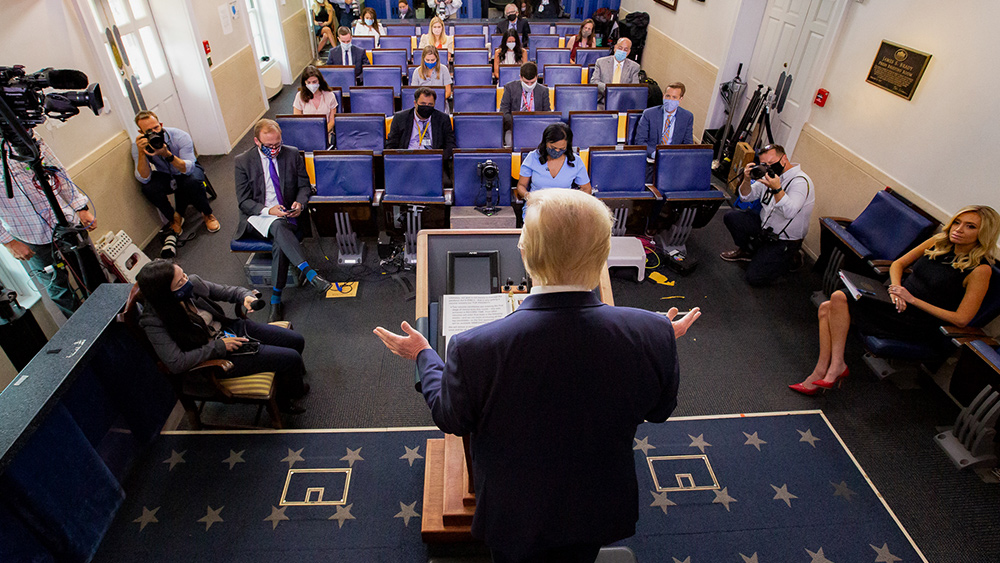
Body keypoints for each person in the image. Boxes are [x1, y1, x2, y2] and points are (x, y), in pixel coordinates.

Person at [374, 188, 700, 563]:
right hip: (595, 507)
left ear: (525, 252)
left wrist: (423, 355)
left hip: (516, 516)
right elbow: (659, 410)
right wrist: (655, 344)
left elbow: (451, 417)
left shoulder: (472, 348)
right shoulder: (653, 333)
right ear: (604, 252)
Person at [790, 205, 1000, 396]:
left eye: (970, 226)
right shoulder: (939, 242)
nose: (959, 229)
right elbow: (898, 264)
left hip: (919, 321)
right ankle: (827, 369)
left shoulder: (980, 270)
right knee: (827, 307)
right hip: (896, 303)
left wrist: (912, 300)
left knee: (835, 300)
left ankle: (832, 367)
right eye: (957, 222)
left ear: (983, 233)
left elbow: (961, 319)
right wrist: (896, 290)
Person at [135, 260, 309, 414]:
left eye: (184, 275)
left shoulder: (192, 284)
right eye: (180, 282)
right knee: (291, 358)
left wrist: (245, 296)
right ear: (165, 294)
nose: (187, 281)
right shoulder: (154, 321)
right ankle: (287, 398)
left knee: (296, 341)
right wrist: (219, 347)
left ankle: (290, 380)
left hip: (229, 330)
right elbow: (176, 363)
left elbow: (227, 291)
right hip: (215, 357)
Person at [233, 119, 332, 322]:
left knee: (280, 239)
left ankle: (276, 300)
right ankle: (308, 272)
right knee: (277, 225)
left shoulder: (292, 154)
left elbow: (304, 186)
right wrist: (268, 210)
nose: (274, 149)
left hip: (285, 214)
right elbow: (243, 201)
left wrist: (299, 204)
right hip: (258, 216)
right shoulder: (243, 161)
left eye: (277, 144)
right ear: (257, 141)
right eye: (269, 145)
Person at [1, 136, 96, 317]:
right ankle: (85, 328)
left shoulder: (25, 133)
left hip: (65, 221)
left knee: (92, 274)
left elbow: (58, 171)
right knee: (59, 291)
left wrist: (80, 207)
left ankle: (116, 320)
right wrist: (8, 242)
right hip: (30, 236)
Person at [720, 144, 815, 286]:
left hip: (784, 238)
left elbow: (789, 212)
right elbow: (746, 197)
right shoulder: (768, 174)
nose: (768, 167)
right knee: (732, 217)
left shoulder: (800, 182)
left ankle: (792, 257)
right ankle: (748, 251)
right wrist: (746, 180)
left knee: (754, 278)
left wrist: (777, 189)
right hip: (765, 226)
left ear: (784, 159)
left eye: (771, 163)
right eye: (764, 164)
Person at [132, 111, 219, 236]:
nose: (154, 133)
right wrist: (141, 153)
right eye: (149, 131)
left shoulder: (180, 136)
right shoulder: (138, 146)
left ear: (161, 125)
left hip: (184, 169)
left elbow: (188, 169)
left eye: (156, 127)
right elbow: (144, 178)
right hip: (165, 174)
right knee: (148, 188)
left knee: (193, 181)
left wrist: (167, 155)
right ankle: (174, 218)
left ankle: (207, 214)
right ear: (141, 132)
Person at [516, 122, 591, 202]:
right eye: (553, 147)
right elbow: (521, 186)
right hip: (537, 204)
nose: (557, 151)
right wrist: (528, 197)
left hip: (564, 205)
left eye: (562, 148)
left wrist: (575, 203)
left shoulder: (575, 161)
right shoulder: (532, 157)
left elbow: (586, 189)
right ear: (545, 142)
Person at [634, 82, 694, 182]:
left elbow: (688, 144)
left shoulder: (687, 117)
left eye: (674, 97)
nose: (670, 100)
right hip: (652, 161)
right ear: (663, 95)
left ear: (680, 99)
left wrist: (674, 157)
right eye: (668, 96)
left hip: (674, 161)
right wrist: (655, 154)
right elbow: (640, 141)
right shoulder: (649, 114)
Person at [386, 87, 456, 160]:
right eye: (423, 103)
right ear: (415, 103)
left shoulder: (443, 119)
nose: (426, 107)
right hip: (407, 159)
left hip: (433, 160)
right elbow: (391, 145)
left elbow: (450, 145)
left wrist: (438, 159)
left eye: (430, 104)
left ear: (434, 104)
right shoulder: (400, 118)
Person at [499, 62, 550, 138]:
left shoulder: (543, 91)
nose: (529, 85)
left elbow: (547, 114)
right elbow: (504, 112)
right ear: (520, 77)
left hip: (536, 128)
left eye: (532, 82)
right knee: (509, 141)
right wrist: (518, 123)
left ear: (537, 77)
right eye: (526, 82)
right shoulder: (510, 88)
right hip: (514, 127)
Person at [292, 65, 338, 138]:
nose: (312, 85)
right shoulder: (299, 96)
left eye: (314, 82)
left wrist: (321, 133)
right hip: (306, 133)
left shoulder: (330, 95)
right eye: (309, 82)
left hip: (325, 133)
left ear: (319, 81)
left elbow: (332, 121)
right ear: (305, 82)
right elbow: (297, 120)